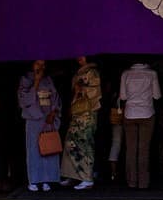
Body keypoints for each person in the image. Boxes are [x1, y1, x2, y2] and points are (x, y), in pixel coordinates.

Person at [18, 59, 62, 192]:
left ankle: (46, 180)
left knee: (48, 148)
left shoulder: (48, 80)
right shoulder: (26, 79)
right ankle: (34, 180)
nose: (40, 67)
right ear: (32, 64)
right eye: (38, 64)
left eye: (43, 65)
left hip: (47, 117)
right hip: (34, 118)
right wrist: (36, 82)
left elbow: (55, 97)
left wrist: (54, 112)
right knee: (34, 149)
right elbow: (23, 99)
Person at [118, 62, 162, 190]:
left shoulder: (125, 74)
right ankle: (143, 183)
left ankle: (131, 181)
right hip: (147, 113)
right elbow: (157, 95)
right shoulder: (151, 74)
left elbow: (123, 96)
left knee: (130, 150)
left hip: (130, 113)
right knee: (144, 149)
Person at [60, 57, 102, 190]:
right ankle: (73, 174)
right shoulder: (80, 72)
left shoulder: (92, 72)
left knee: (84, 144)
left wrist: (81, 89)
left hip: (87, 113)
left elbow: (95, 92)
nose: (79, 57)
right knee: (70, 143)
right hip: (77, 113)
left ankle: (86, 177)